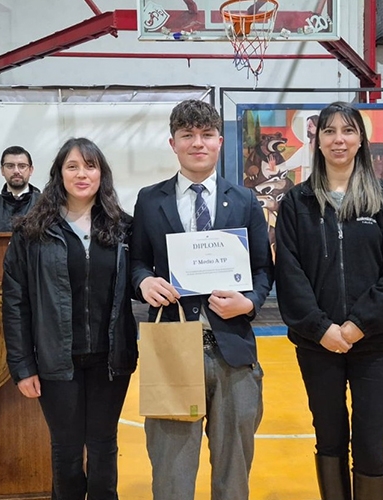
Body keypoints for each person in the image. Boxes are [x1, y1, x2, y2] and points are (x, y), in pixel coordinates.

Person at [130, 99, 273, 500]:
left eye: (206, 135)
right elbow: (137, 261)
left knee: (234, 473)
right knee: (172, 475)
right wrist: (143, 282)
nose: (198, 143)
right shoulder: (149, 200)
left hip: (233, 351)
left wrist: (250, 303)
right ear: (172, 143)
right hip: (173, 349)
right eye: (187, 135)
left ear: (219, 141)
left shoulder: (244, 200)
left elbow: (263, 269)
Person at [274, 102, 383, 500]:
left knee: (372, 443)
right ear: (316, 141)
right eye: (329, 131)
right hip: (317, 345)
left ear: (360, 140)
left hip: (376, 345)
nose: (339, 139)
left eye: (348, 131)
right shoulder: (297, 203)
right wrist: (321, 329)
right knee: (329, 439)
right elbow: (290, 273)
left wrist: (357, 326)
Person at [2, 137, 137, 500]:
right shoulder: (32, 231)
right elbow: (15, 302)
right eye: (72, 166)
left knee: (104, 445)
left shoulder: (123, 228)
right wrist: (21, 364)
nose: (82, 174)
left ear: (101, 174)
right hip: (54, 361)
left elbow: (138, 282)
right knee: (66, 450)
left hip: (111, 359)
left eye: (90, 166)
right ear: (58, 174)